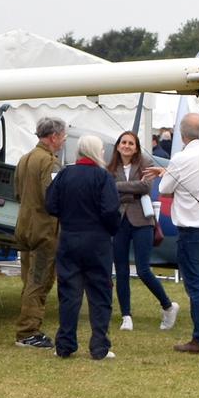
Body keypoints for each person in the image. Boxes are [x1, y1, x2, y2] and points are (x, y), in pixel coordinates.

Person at [45, 134, 122, 359]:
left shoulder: (64, 174)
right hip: (97, 241)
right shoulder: (103, 177)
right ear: (98, 152)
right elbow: (110, 210)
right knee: (99, 293)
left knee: (69, 293)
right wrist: (111, 228)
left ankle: (65, 344)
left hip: (69, 237)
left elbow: (50, 204)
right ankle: (99, 346)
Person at [158, 113, 199, 353]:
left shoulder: (181, 158)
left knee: (197, 286)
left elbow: (164, 189)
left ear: (183, 135)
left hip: (192, 229)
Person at [107, 130, 177, 333]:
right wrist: (129, 190)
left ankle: (168, 305)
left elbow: (145, 187)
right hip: (120, 221)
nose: (127, 146)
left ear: (136, 147)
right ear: (118, 145)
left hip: (143, 220)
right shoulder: (111, 166)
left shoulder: (145, 162)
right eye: (123, 142)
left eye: (131, 143)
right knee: (120, 269)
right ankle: (126, 315)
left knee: (143, 269)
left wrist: (119, 188)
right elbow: (108, 189)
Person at [12, 117, 66, 349]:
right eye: (63, 136)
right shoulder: (49, 163)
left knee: (29, 279)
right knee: (39, 281)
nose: (64, 140)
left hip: (24, 226)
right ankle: (28, 331)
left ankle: (28, 326)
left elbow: (16, 193)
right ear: (54, 137)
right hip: (44, 231)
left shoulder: (25, 159)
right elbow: (53, 198)